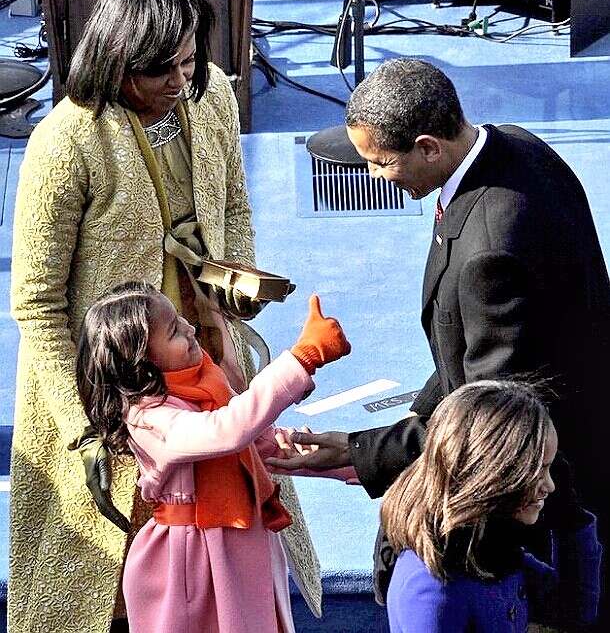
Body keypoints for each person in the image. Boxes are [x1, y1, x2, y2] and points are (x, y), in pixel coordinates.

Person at [8, 0, 321, 633]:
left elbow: (234, 204)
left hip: (203, 358)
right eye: (165, 71)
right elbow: (35, 303)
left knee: (218, 535)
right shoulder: (65, 141)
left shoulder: (209, 99)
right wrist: (85, 426)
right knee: (112, 579)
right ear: (120, 64)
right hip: (114, 394)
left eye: (191, 61)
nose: (183, 81)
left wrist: (233, 292)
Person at [266, 58, 610, 627]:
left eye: (380, 163)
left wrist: (360, 453)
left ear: (428, 147)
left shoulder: (492, 248)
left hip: (547, 491)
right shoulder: (515, 149)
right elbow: (465, 355)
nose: (374, 176)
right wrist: (369, 442)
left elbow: (487, 415)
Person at [75, 282, 351, 633]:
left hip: (239, 550)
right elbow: (228, 431)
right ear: (141, 364)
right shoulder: (148, 419)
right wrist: (303, 358)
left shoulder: (206, 384)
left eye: (180, 319)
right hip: (190, 570)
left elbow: (264, 446)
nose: (189, 328)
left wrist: (360, 460)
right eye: (174, 330)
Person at [380, 379, 601, 632]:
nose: (550, 486)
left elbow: (574, 609)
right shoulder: (434, 590)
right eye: (537, 471)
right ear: (491, 475)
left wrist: (570, 519)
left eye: (550, 468)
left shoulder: (488, 549)